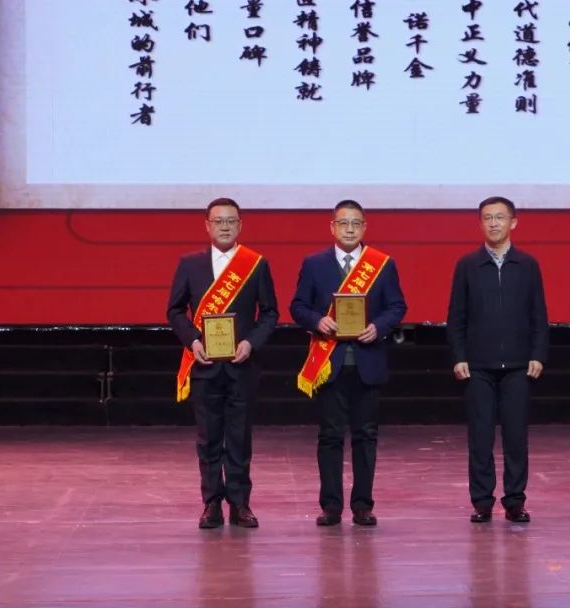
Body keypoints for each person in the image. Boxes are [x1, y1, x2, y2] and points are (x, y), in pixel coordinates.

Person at [290, 200, 407, 527]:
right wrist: (317, 320)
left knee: (365, 436)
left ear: (364, 227)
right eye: (344, 223)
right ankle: (331, 506)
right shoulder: (314, 264)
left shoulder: (382, 264)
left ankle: (362, 505)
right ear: (332, 227)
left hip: (368, 362)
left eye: (356, 223)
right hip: (329, 363)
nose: (350, 229)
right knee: (330, 436)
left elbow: (397, 306)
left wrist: (379, 327)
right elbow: (298, 306)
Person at [167, 197, 279, 529]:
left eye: (231, 221)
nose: (225, 226)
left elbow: (270, 313)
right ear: (207, 226)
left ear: (240, 225)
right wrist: (193, 340)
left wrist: (250, 342)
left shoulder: (255, 264)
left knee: (239, 436)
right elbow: (175, 310)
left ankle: (240, 503)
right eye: (219, 221)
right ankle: (211, 503)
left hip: (242, 365)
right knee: (209, 437)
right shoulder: (190, 264)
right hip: (204, 364)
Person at [446, 196, 549, 524]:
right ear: (480, 224)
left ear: (513, 222)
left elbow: (538, 314)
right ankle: (482, 501)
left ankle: (515, 501)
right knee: (480, 438)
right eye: (487, 218)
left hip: (519, 365)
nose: (493, 223)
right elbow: (456, 317)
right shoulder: (467, 265)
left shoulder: (528, 265)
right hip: (477, 366)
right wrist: (459, 356)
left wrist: (538, 354)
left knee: (516, 437)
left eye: (500, 217)